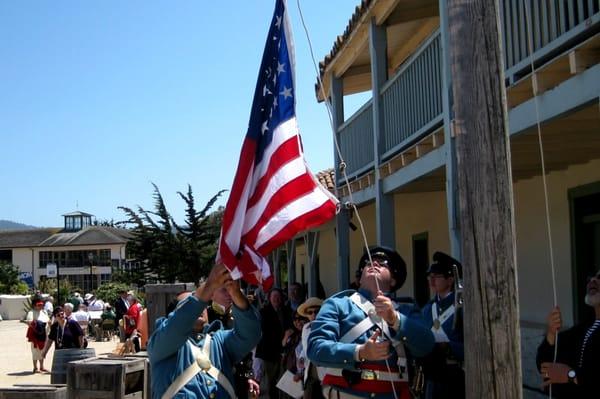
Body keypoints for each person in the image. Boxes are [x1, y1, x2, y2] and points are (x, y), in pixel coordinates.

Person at [308, 246, 435, 399]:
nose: (374, 263)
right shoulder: (337, 304)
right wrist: (360, 352)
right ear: (359, 278)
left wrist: (395, 319)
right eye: (368, 263)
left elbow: (426, 345)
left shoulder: (406, 311)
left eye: (383, 263)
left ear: (394, 279)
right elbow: (315, 349)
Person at [147, 264, 261, 398]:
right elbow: (176, 327)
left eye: (202, 304)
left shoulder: (220, 342)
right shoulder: (161, 343)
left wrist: (236, 293)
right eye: (188, 304)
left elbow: (251, 334)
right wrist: (209, 286)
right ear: (174, 314)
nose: (199, 307)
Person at [536, 269, 600, 398]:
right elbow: (544, 366)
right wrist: (551, 333)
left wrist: (570, 374)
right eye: (590, 278)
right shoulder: (583, 328)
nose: (592, 280)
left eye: (599, 277)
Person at [420, 252, 464, 399]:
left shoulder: (462, 308)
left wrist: (449, 347)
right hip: (431, 375)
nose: (431, 280)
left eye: (436, 276)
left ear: (450, 279)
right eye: (430, 276)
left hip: (455, 376)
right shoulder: (428, 308)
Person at [207, 285, 260, 398]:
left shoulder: (238, 314)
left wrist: (249, 377)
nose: (229, 293)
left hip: (240, 381)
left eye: (231, 289)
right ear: (212, 294)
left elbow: (246, 351)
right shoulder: (206, 316)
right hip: (215, 382)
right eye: (224, 289)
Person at [255, 287, 292, 398]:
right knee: (270, 383)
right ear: (269, 298)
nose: (277, 299)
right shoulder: (263, 312)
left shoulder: (287, 311)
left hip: (285, 352)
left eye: (278, 296)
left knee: (284, 382)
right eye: (274, 296)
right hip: (269, 353)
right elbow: (262, 334)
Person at [297, 297, 324, 399]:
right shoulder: (305, 328)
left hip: (324, 373)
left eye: (316, 311)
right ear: (307, 315)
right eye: (310, 312)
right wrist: (302, 358)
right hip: (309, 372)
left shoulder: (328, 326)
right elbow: (305, 348)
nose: (313, 315)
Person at [26, 300, 50, 373]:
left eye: (41, 305)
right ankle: (35, 368)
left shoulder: (44, 312)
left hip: (44, 334)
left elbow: (48, 321)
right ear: (34, 305)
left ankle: (42, 367)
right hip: (36, 334)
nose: (40, 306)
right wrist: (36, 324)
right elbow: (29, 322)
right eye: (38, 305)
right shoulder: (31, 313)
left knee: (42, 350)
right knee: (35, 351)